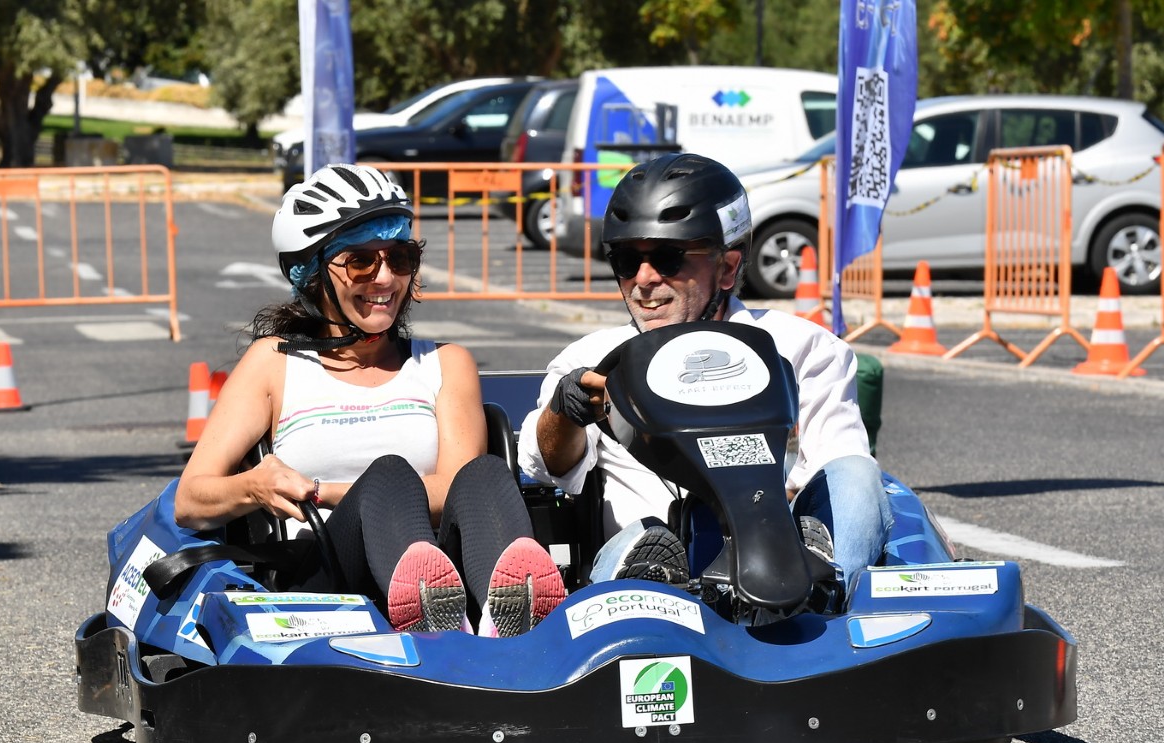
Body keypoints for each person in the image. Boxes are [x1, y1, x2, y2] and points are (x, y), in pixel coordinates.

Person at [177, 163, 565, 636]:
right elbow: (190, 498)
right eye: (361, 261)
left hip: (443, 566)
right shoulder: (273, 362)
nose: (385, 278)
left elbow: (454, 485)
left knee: (484, 472)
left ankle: (509, 629)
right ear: (312, 272)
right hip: (323, 576)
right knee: (389, 475)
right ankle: (433, 623)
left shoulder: (447, 363)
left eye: (400, 258)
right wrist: (254, 486)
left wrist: (321, 491)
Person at [518, 152, 892, 586]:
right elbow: (546, 468)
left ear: (727, 267)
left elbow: (841, 479)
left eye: (667, 258)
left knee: (858, 474)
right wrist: (566, 412)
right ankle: (651, 582)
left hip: (778, 559)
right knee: (647, 536)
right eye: (625, 260)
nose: (644, 279)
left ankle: (819, 593)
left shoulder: (804, 348)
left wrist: (748, 491)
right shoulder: (590, 359)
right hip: (649, 571)